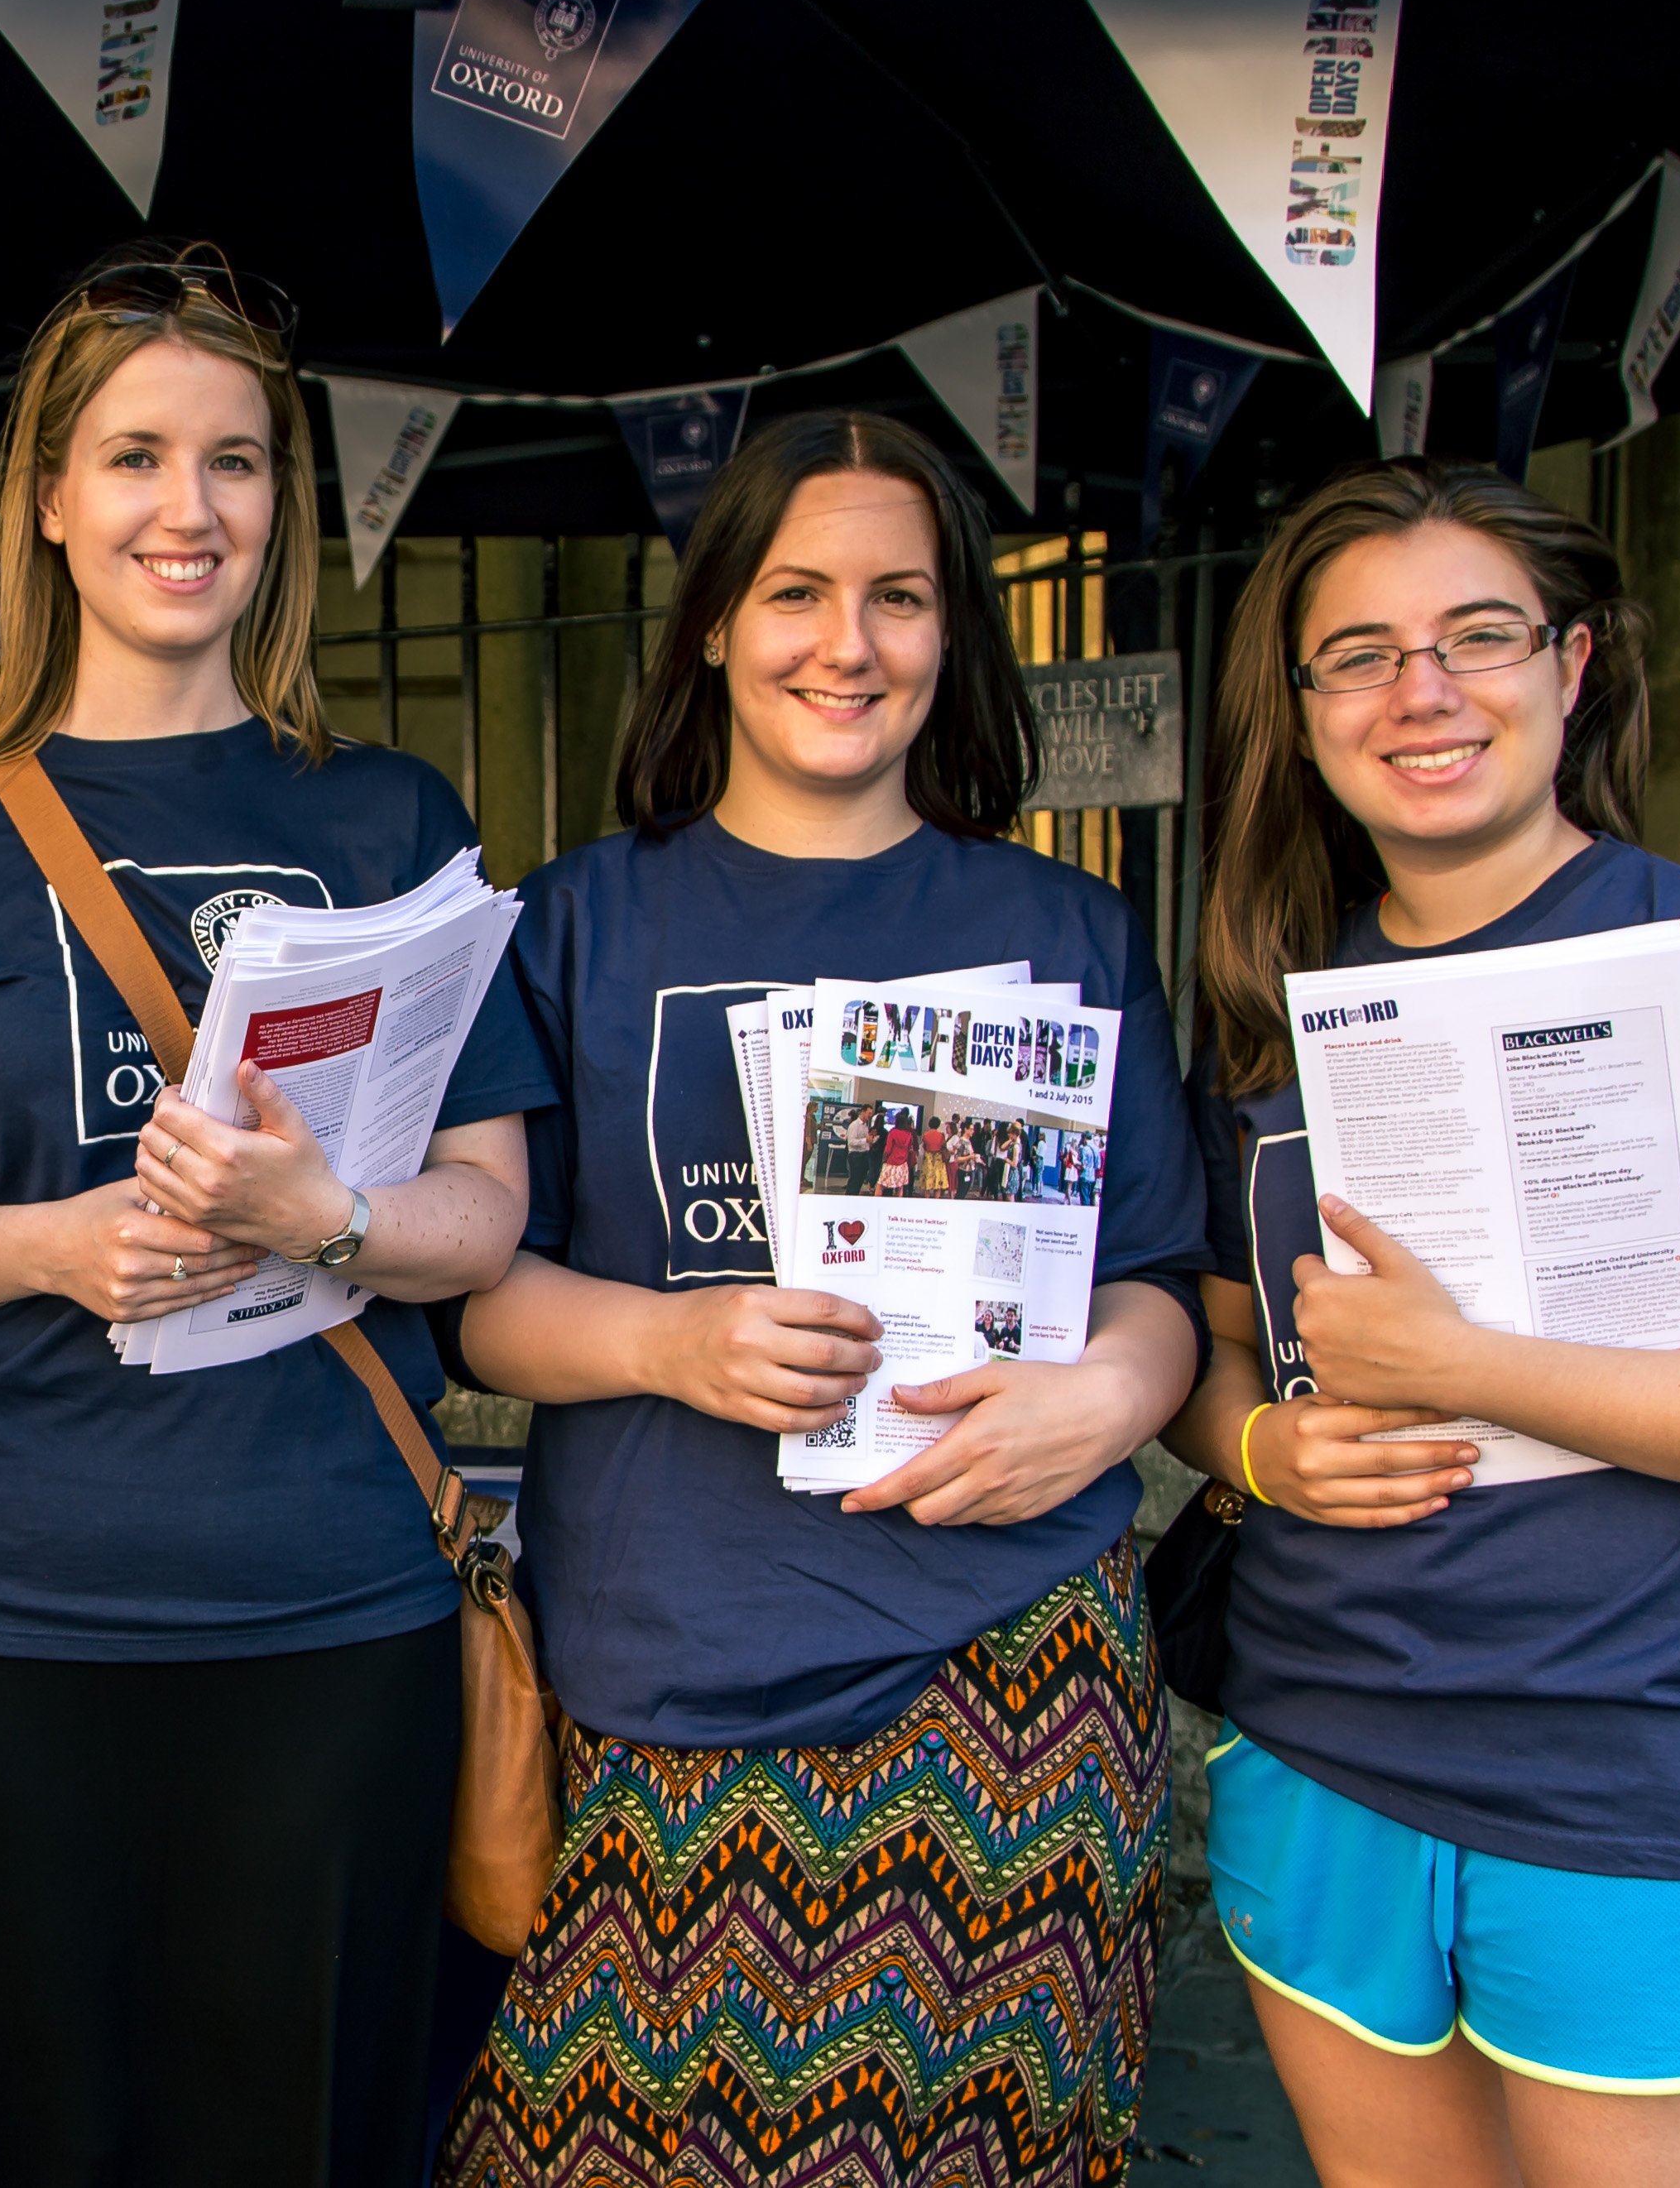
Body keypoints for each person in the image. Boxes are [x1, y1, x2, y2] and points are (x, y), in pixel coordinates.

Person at [0, 252, 554, 2186]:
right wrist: (40, 1245)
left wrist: (332, 1214)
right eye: (134, 456)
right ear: (46, 494)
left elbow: (485, 1219)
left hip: (328, 1601)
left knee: (294, 2124)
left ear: (283, 502)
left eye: (234, 460)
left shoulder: (385, 811)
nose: (185, 510)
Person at [438, 410, 1208, 2187]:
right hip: (661, 1672)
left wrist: (1110, 1399)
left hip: (1007, 1678)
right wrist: (666, 1340)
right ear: (712, 620)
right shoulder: (568, 923)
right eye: (794, 591)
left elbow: (1158, 1277)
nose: (844, 643)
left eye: (898, 597)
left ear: (953, 637)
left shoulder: (1060, 928)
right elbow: (471, 1293)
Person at [1160, 458, 1680, 2187]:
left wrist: (1464, 1369)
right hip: (1316, 1737)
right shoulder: (1279, 1004)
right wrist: (1268, 1445)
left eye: (1475, 635)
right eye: (1355, 654)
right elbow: (1212, 1358)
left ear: (1572, 667)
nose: (1418, 692)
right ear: (1298, 714)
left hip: (1629, 1763)